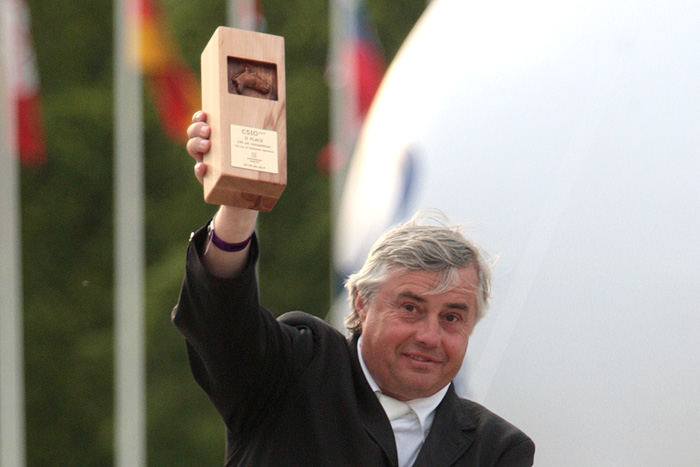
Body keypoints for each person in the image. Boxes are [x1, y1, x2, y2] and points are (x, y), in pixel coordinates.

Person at [173, 111, 535, 466]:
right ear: (361, 302)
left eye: (452, 317)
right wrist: (240, 201)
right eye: (411, 308)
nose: (429, 336)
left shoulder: (498, 451)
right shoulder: (292, 373)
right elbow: (221, 317)